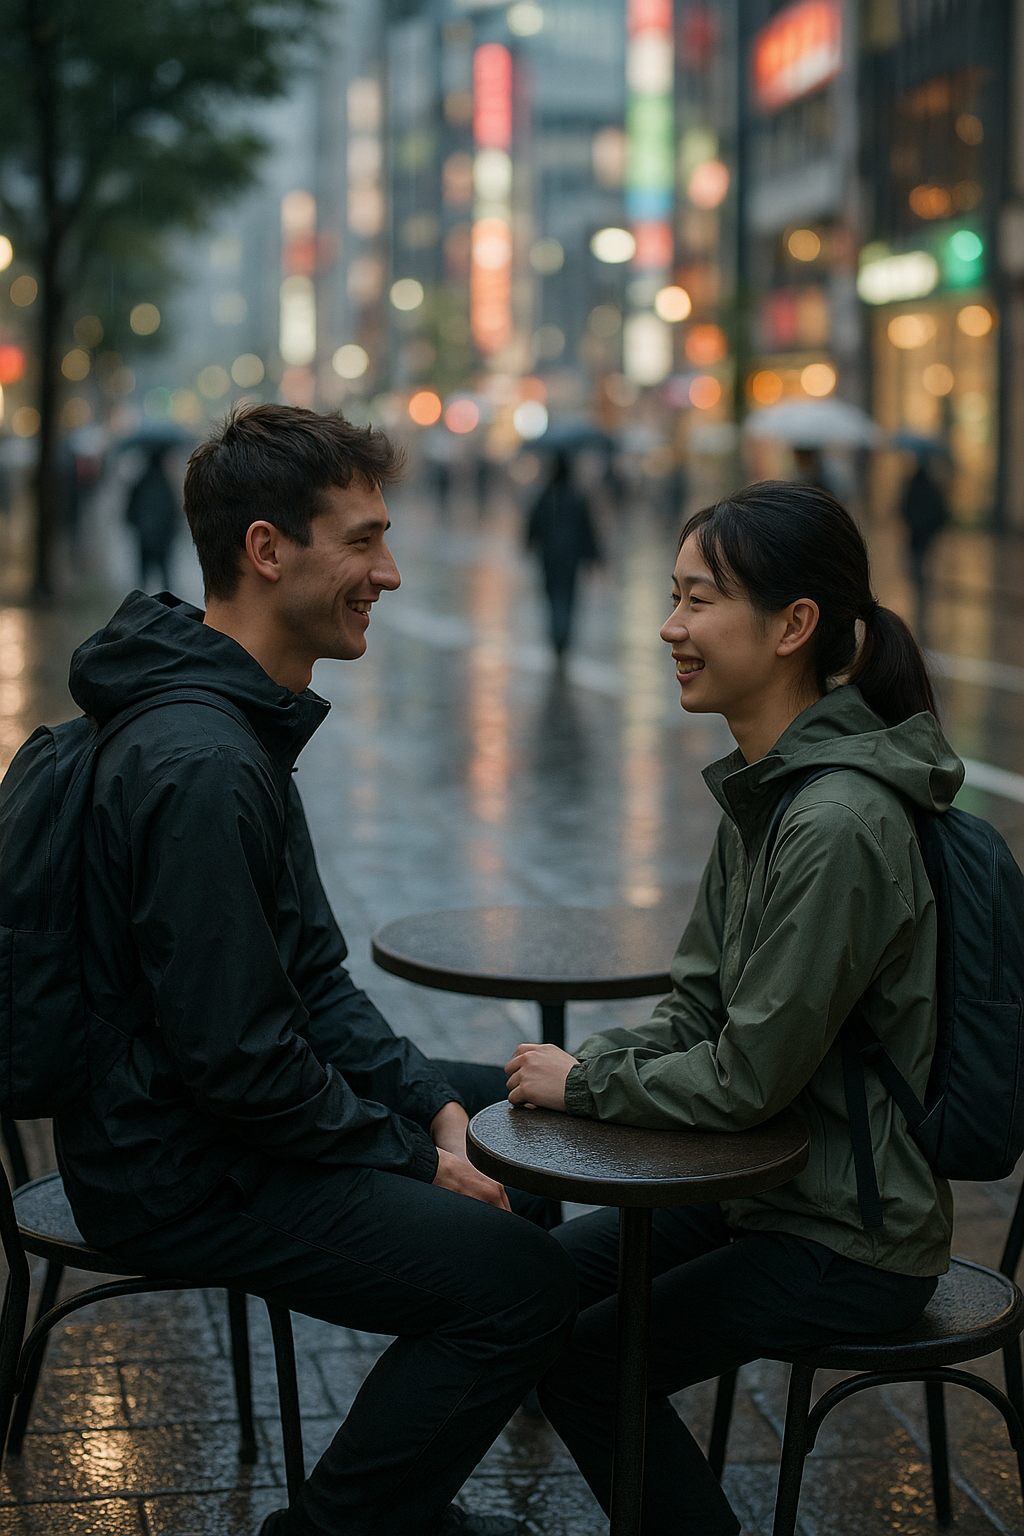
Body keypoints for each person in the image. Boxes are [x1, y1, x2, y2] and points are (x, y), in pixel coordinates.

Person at [55, 404, 577, 1536]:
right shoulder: (201, 761)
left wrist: (433, 1102)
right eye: (362, 541)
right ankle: (347, 1521)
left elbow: (312, 985)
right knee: (518, 1284)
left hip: (210, 1122)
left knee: (520, 1113)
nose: (387, 573)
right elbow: (244, 1066)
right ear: (265, 549)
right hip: (177, 1168)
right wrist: (418, 1161)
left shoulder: (235, 719)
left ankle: (415, 1469)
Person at [504, 480, 958, 1536]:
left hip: (848, 1234)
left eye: (699, 600)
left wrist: (590, 1079)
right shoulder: (769, 790)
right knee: (517, 1284)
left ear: (794, 625)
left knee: (581, 1365)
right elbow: (698, 1010)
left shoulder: (835, 820)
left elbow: (748, 1074)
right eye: (673, 597)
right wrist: (600, 1068)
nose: (671, 627)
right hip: (768, 1188)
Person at [526, 452, 599, 659]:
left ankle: (557, 634)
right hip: (570, 558)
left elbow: (533, 525)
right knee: (567, 597)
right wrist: (594, 557)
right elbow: (588, 531)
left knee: (553, 597)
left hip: (550, 558)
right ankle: (562, 634)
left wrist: (530, 545)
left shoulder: (544, 495)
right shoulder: (577, 497)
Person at [899, 452, 948, 633]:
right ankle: (920, 579)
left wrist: (910, 520)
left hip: (916, 531)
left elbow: (904, 507)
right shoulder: (932, 486)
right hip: (925, 531)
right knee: (921, 558)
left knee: (916, 559)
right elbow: (940, 512)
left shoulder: (912, 484)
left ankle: (918, 577)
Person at [125, 444, 179, 590]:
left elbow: (130, 511)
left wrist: (137, 526)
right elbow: (174, 513)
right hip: (162, 538)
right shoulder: (166, 485)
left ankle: (142, 607)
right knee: (165, 575)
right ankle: (169, 606)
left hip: (144, 537)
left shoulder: (141, 482)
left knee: (143, 576)